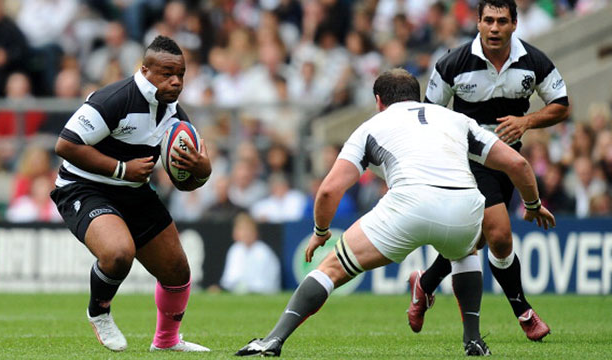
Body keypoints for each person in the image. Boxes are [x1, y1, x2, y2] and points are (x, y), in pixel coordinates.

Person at [235, 68, 556, 357]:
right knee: (466, 251)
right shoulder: (456, 119)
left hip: (408, 203)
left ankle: (273, 340)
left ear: (379, 101)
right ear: (416, 96)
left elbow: (330, 189)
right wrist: (532, 204)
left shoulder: (373, 125)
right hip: (464, 203)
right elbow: (517, 163)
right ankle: (472, 340)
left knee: (332, 267)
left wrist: (321, 232)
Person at [415, 0, 569, 342]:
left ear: (515, 24)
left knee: (477, 239)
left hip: (508, 161)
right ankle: (523, 311)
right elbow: (427, 116)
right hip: (468, 160)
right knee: (499, 234)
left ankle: (424, 283)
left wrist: (527, 121)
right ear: (478, 22)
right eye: (488, 20)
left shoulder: (534, 62)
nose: (495, 28)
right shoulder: (452, 63)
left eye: (502, 21)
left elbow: (561, 104)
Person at [50, 35, 211, 353]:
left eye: (181, 74)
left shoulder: (174, 115)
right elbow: (65, 145)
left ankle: (166, 342)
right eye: (167, 73)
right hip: (84, 187)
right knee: (118, 253)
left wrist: (202, 169)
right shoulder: (115, 98)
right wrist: (121, 169)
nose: (176, 81)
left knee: (177, 271)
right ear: (145, 70)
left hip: (133, 191)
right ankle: (99, 312)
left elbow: (185, 183)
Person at [219, 212, 281, 294]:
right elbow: (229, 279)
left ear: (255, 232)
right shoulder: (235, 250)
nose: (245, 233)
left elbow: (264, 283)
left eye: (247, 229)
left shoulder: (262, 251)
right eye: (241, 229)